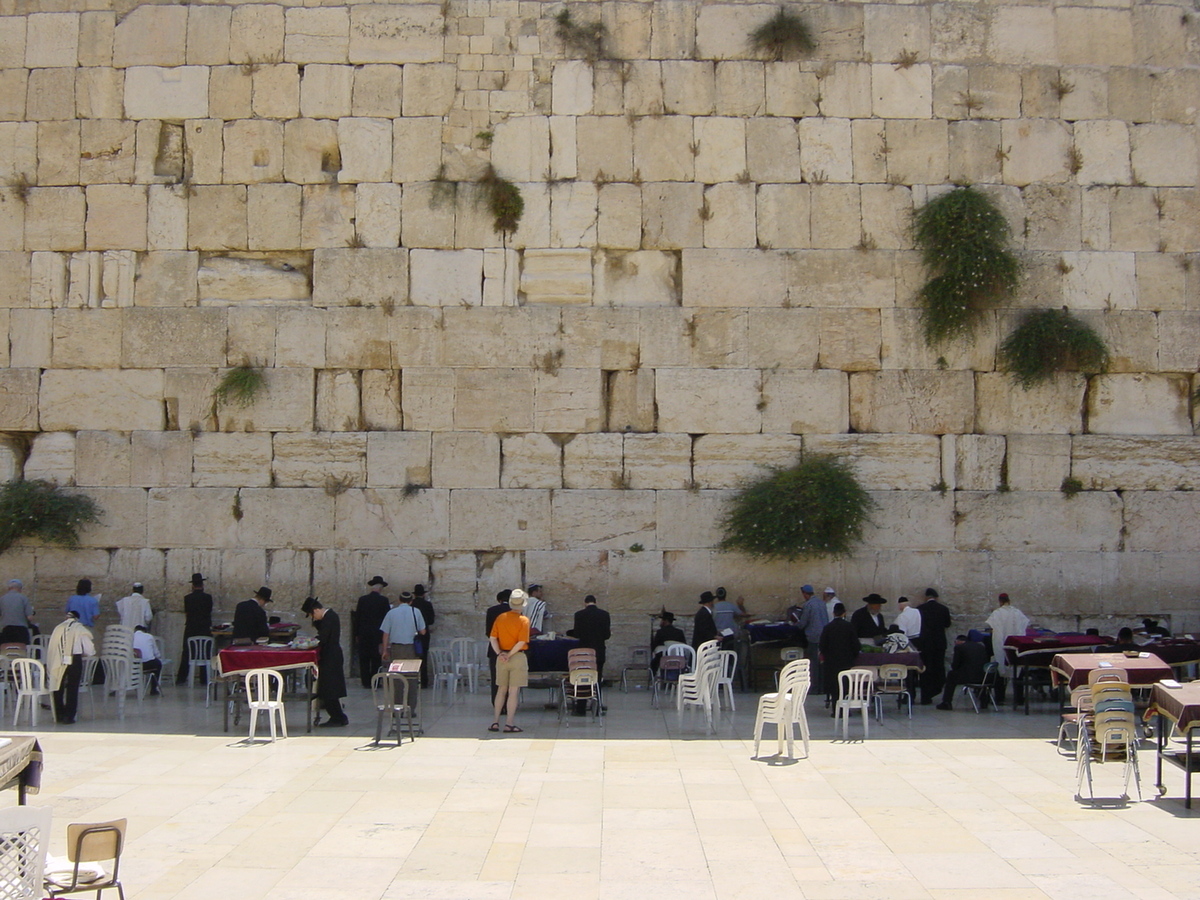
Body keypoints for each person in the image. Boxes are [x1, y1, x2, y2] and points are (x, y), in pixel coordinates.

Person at [489, 588, 531, 733]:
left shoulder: (501, 617)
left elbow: (493, 638)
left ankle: (495, 721)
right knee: (513, 691)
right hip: (517, 656)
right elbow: (521, 642)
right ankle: (509, 723)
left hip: (501, 658)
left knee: (501, 689)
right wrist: (510, 654)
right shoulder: (524, 620)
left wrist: (500, 653)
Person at [301, 597, 348, 727]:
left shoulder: (329, 618)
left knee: (330, 688)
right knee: (328, 688)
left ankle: (338, 717)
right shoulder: (329, 617)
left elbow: (323, 638)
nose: (313, 618)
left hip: (331, 656)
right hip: (330, 656)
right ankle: (337, 716)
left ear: (316, 610)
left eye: (312, 614)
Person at [47, 610, 95, 725]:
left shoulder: (58, 628)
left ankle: (59, 714)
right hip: (74, 659)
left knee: (57, 685)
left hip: (58, 658)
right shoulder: (79, 628)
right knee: (72, 688)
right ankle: (69, 716)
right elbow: (89, 649)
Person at [984, 592, 1029, 705]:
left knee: (1000, 669)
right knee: (1017, 671)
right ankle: (1019, 698)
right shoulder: (1017, 613)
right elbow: (1024, 626)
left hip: (1002, 643)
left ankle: (999, 697)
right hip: (1015, 645)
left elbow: (994, 628)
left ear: (1000, 601)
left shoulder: (997, 613)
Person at [819, 603, 860, 711]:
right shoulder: (849, 626)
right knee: (845, 685)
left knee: (834, 686)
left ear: (833, 613)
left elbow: (822, 645)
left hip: (831, 662)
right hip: (846, 661)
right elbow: (855, 644)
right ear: (844, 613)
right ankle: (845, 710)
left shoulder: (828, 627)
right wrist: (853, 656)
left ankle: (835, 710)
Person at [177, 573, 213, 685]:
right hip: (204, 628)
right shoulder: (208, 598)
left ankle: (181, 678)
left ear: (192, 585)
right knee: (205, 653)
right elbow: (208, 611)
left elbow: (188, 612)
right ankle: (204, 678)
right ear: (202, 585)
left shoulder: (187, 598)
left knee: (187, 653)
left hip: (191, 628)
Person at [917, 588, 952, 705]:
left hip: (925, 644)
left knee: (925, 670)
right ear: (936, 597)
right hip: (939, 643)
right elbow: (947, 624)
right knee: (938, 667)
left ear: (926, 597)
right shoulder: (943, 609)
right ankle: (936, 689)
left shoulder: (920, 609)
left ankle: (925, 696)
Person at [936, 635, 990, 710]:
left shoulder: (959, 648)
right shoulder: (980, 647)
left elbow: (955, 666)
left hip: (969, 677)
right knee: (978, 674)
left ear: (959, 641)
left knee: (951, 675)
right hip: (984, 677)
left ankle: (946, 702)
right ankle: (984, 701)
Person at [355, 576, 390, 689]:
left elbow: (357, 618)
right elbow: (387, 618)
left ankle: (365, 682)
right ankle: (375, 681)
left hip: (363, 633)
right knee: (376, 658)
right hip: (377, 634)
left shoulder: (362, 600)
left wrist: (356, 634)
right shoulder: (383, 601)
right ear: (380, 588)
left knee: (364, 658)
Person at [793, 585, 829, 690]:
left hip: (813, 637)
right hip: (823, 636)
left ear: (805, 593)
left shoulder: (808, 605)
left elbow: (803, 622)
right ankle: (823, 687)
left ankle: (814, 687)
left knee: (813, 663)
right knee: (822, 662)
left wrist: (795, 624)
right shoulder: (822, 604)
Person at [570, 594, 611, 681]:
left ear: (585, 603)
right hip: (599, 648)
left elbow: (577, 634)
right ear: (595, 603)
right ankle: (598, 690)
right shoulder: (605, 614)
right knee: (598, 672)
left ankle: (586, 690)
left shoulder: (579, 614)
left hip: (584, 649)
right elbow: (607, 635)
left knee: (584, 672)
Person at [379, 591, 426, 661]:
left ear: (399, 600)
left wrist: (385, 650)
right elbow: (423, 632)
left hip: (396, 648)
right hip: (411, 647)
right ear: (411, 601)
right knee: (411, 670)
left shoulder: (391, 613)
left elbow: (385, 634)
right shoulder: (416, 612)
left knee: (397, 670)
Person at [486, 589, 513, 704]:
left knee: (496, 678)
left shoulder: (491, 611)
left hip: (495, 648)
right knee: (510, 679)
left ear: (500, 600)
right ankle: (508, 704)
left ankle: (497, 704)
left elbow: (488, 631)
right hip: (511, 649)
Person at [412, 584, 436, 688]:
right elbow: (431, 621)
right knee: (423, 658)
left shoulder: (411, 605)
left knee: (412, 657)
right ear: (424, 594)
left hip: (412, 633)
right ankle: (424, 681)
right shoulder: (427, 605)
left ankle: (412, 680)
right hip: (424, 634)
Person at [0, 578, 34, 645]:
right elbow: (30, 617)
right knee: (22, 650)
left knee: (6, 650)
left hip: (6, 629)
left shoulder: (2, 599)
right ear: (19, 588)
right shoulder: (23, 598)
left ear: (9, 588)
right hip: (21, 629)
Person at [132, 625, 162, 695]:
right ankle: (153, 689)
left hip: (134, 665)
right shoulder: (149, 636)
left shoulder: (130, 637)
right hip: (148, 664)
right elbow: (156, 653)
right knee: (158, 664)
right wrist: (159, 656)